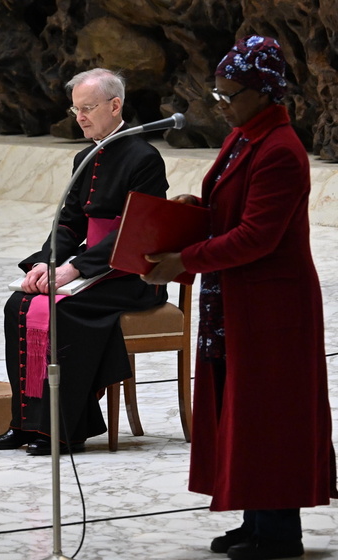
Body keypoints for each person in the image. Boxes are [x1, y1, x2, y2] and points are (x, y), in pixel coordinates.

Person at [142, 36, 337, 560]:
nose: (219, 102)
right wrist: (195, 211)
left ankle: (279, 533)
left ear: (263, 92)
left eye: (229, 94)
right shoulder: (244, 137)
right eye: (218, 91)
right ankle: (255, 520)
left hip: (273, 308)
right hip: (236, 298)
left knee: (270, 414)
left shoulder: (280, 149)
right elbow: (230, 211)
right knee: (240, 407)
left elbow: (256, 237)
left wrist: (184, 259)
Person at [0, 68, 170, 456]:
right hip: (93, 267)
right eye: (76, 109)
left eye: (88, 108)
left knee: (62, 312)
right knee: (19, 304)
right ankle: (25, 423)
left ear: (115, 106)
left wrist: (75, 268)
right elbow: (69, 222)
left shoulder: (145, 157)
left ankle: (65, 430)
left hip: (131, 273)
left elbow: (134, 233)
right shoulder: (86, 157)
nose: (80, 117)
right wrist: (47, 263)